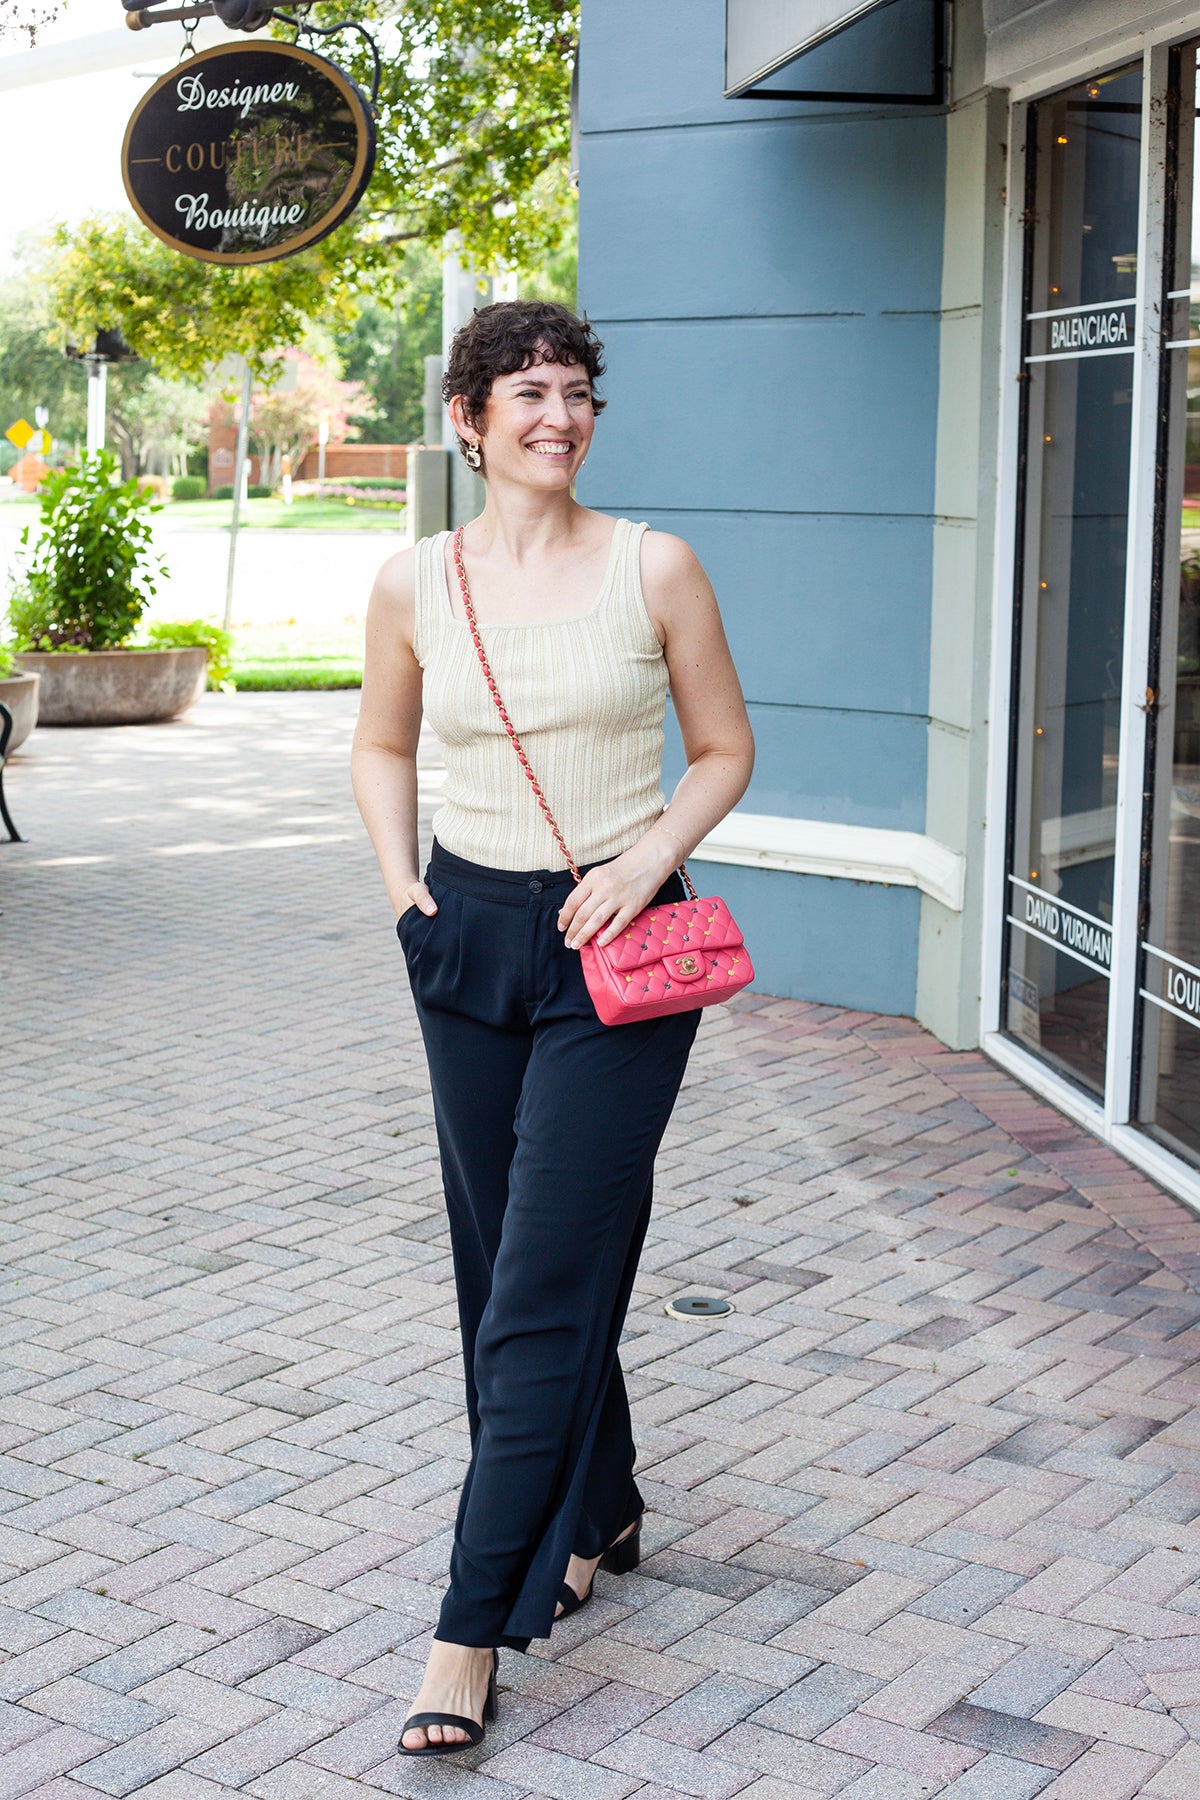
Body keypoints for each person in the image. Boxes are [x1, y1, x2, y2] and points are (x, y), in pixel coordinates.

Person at [351, 300, 754, 1756]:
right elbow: (381, 741)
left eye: (576, 392)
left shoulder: (655, 566)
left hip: (619, 945)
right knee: (499, 1257)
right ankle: (600, 1507)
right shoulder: (415, 581)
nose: (558, 416)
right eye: (525, 392)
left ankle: (469, 1630)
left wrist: (648, 861)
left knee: (542, 1276)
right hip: (465, 934)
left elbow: (724, 749)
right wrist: (404, 890)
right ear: (470, 421)